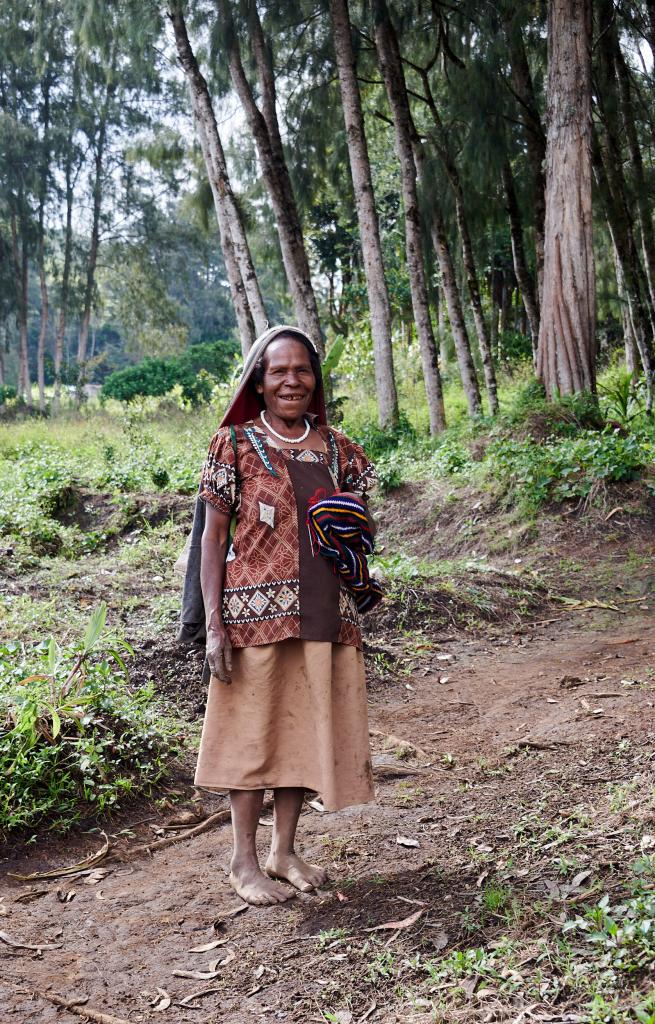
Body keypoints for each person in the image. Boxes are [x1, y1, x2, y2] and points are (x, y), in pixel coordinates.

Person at [194, 324, 378, 906]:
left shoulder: (340, 449)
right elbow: (211, 537)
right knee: (252, 738)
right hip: (253, 617)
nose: (292, 381)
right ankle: (242, 861)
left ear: (315, 380)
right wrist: (213, 626)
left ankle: (283, 850)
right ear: (260, 380)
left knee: (302, 734)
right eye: (279, 371)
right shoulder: (235, 444)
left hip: (326, 615)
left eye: (302, 370)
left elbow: (361, 526)